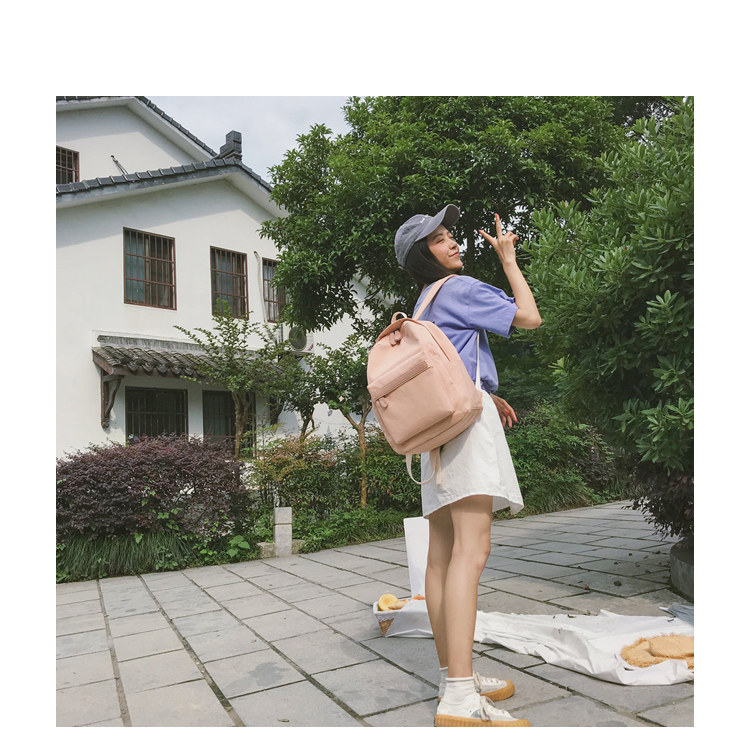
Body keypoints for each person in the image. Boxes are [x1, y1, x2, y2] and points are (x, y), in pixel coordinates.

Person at [394, 204, 542, 728]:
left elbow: (449, 366)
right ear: (423, 255)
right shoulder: (457, 289)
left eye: (450, 234)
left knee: (440, 558)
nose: (453, 242)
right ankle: (459, 697)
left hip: (434, 436)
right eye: (439, 239)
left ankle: (451, 678)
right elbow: (529, 317)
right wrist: (509, 260)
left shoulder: (424, 301)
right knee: (471, 553)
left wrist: (487, 393)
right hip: (464, 432)